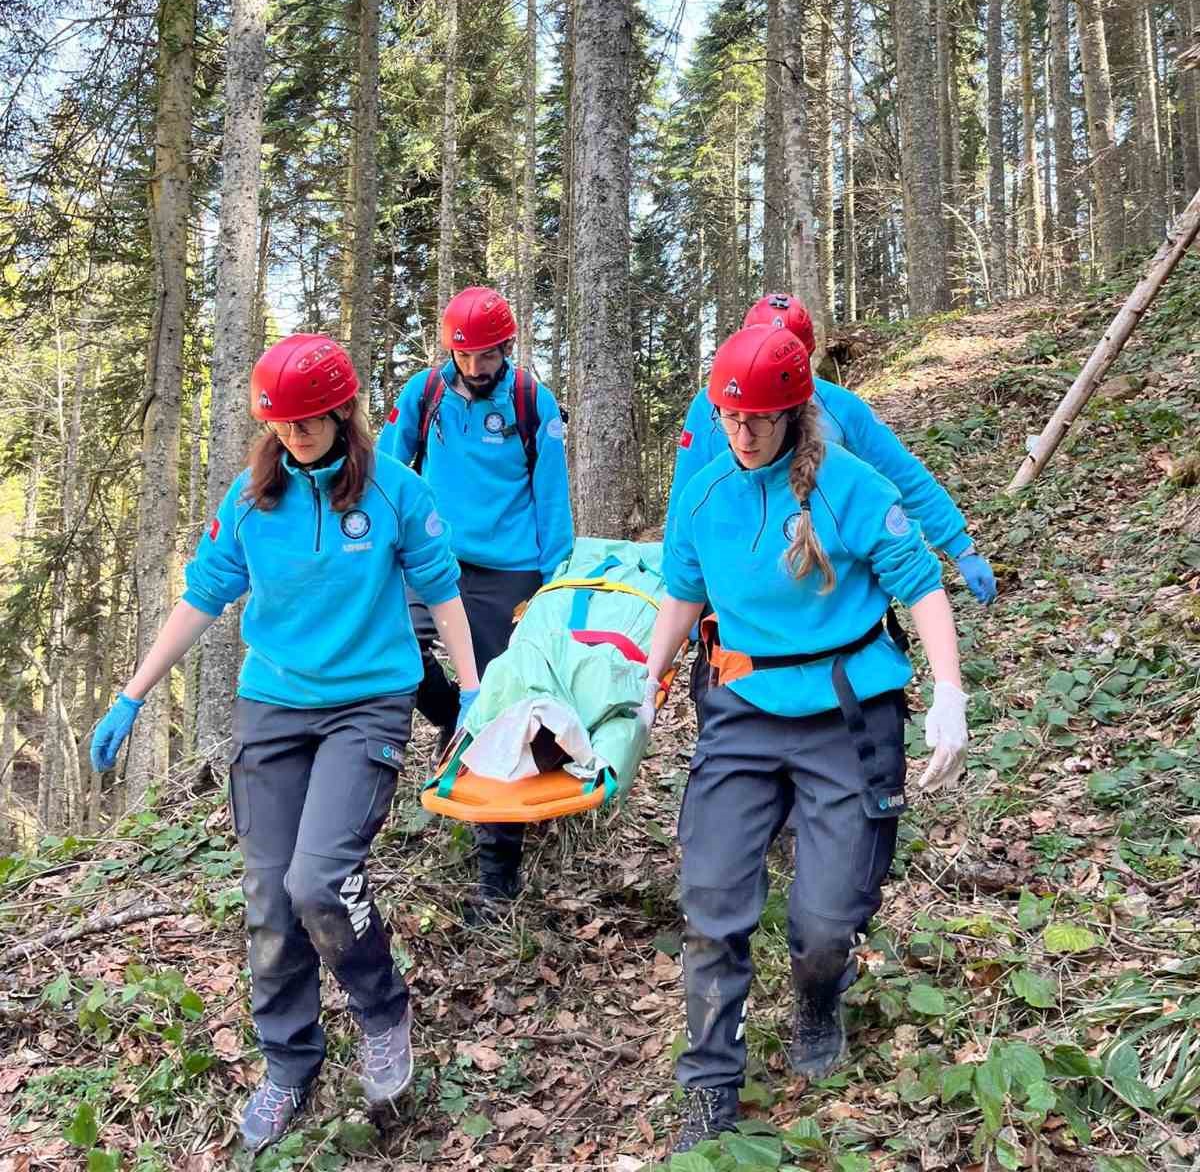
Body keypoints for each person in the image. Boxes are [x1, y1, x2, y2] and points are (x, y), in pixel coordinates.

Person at [89, 335, 478, 1152]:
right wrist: (132, 692)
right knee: (270, 899)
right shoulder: (250, 498)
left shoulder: (395, 491)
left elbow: (440, 589)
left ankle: (382, 1012)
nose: (297, 434)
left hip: (367, 704)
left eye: (311, 420)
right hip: (273, 708)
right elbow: (202, 598)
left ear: (343, 411)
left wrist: (472, 692)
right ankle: (290, 1063)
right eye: (284, 422)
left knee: (320, 880)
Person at [640, 324, 970, 1155]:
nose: (742, 433)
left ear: (795, 413)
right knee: (712, 902)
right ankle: (711, 1084)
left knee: (828, 917)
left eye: (759, 419)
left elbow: (919, 584)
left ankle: (820, 995)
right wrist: (651, 678)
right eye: (729, 417)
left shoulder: (849, 486)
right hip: (744, 711)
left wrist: (949, 693)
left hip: (845, 712)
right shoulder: (706, 493)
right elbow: (683, 591)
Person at [378, 285, 573, 913]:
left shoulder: (529, 401)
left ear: (507, 346)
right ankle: (448, 720)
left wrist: (554, 578)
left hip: (508, 572)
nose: (475, 366)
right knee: (397, 655)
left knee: (501, 709)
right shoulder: (424, 394)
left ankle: (497, 871)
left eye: (487, 354)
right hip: (431, 560)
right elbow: (388, 467)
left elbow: (551, 494)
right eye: (464, 354)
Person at [667, 292, 997, 613]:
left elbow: (903, 476)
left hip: (824, 585)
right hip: (737, 584)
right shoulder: (711, 406)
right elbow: (686, 500)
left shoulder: (840, 408)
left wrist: (960, 546)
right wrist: (681, 591)